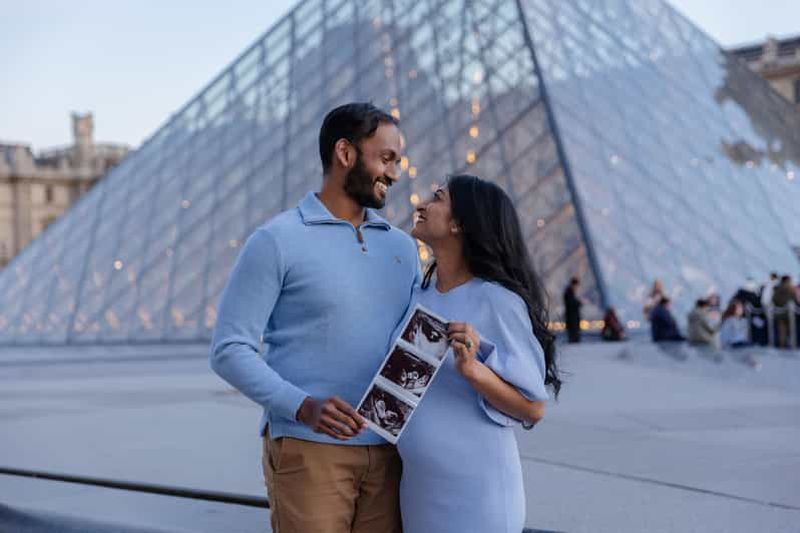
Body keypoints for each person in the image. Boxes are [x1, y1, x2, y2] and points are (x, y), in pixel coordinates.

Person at [210, 103, 419, 533]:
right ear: (345, 153)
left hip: (392, 454)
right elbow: (229, 349)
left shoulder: (402, 248)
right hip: (310, 451)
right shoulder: (276, 241)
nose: (395, 173)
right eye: (385, 158)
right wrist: (301, 406)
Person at [396, 175, 560, 533]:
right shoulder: (418, 296)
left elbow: (533, 408)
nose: (421, 205)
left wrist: (474, 371)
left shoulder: (497, 301)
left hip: (476, 495)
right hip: (419, 491)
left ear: (458, 223)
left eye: (437, 198)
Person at [772, 275, 798, 348]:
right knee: (787, 330)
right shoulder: (789, 289)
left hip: (781, 313)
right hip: (786, 313)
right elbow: (795, 299)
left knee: (783, 330)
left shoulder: (778, 288)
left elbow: (774, 299)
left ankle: (783, 344)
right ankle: (786, 344)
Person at [563, 277, 583, 343]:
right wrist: (579, 302)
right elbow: (571, 303)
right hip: (572, 318)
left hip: (573, 317)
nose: (577, 288)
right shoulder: (569, 292)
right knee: (573, 336)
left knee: (574, 335)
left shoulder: (570, 292)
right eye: (576, 286)